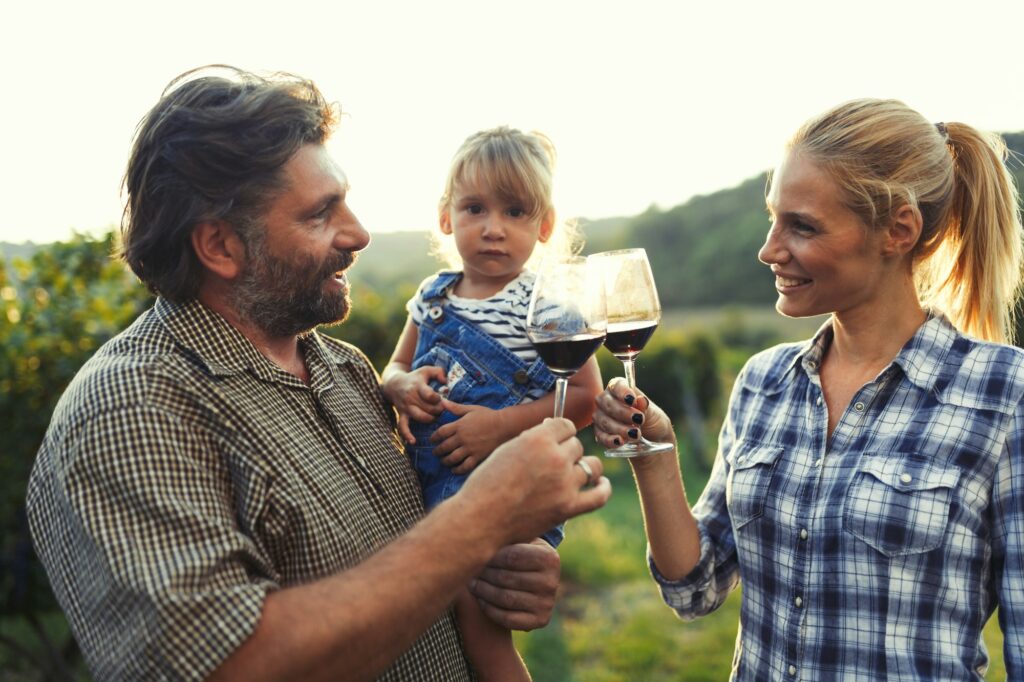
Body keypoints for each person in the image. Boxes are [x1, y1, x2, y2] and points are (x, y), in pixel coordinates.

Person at [25, 65, 611, 682]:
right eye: (320, 214)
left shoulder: (345, 369)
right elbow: (224, 668)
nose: (358, 233)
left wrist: (498, 572)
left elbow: (417, 565)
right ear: (220, 247)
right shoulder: (132, 409)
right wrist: (476, 525)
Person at [593, 99, 1024, 680]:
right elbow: (693, 589)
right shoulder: (763, 383)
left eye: (802, 226)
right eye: (774, 219)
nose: (769, 249)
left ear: (898, 230)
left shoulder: (1005, 393)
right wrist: (654, 452)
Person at [381, 126, 602, 680]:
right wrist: (402, 388)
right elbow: (394, 368)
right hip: (426, 480)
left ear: (544, 226)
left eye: (515, 212)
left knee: (482, 624)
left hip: (505, 483)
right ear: (445, 217)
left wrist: (499, 426)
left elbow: (584, 399)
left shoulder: (548, 303)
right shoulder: (432, 296)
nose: (493, 229)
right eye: (475, 208)